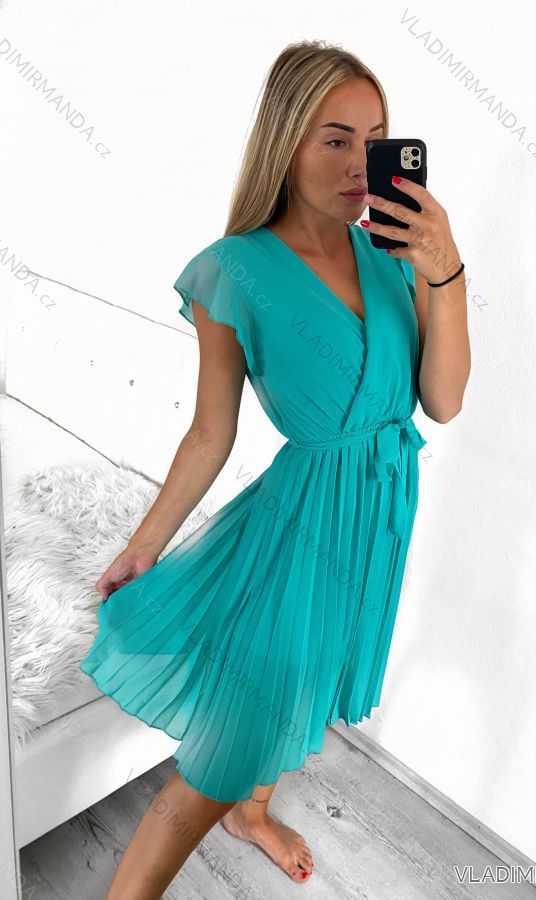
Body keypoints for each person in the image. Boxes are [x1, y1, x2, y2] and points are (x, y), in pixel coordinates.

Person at [79, 38, 470, 899]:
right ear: (285, 142)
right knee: (218, 758)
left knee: (307, 685)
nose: (360, 162)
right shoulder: (233, 271)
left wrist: (447, 273)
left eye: (374, 139)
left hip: (377, 517)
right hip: (302, 529)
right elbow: (208, 433)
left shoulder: (393, 255)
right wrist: (144, 547)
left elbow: (441, 402)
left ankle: (250, 814)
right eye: (335, 138)